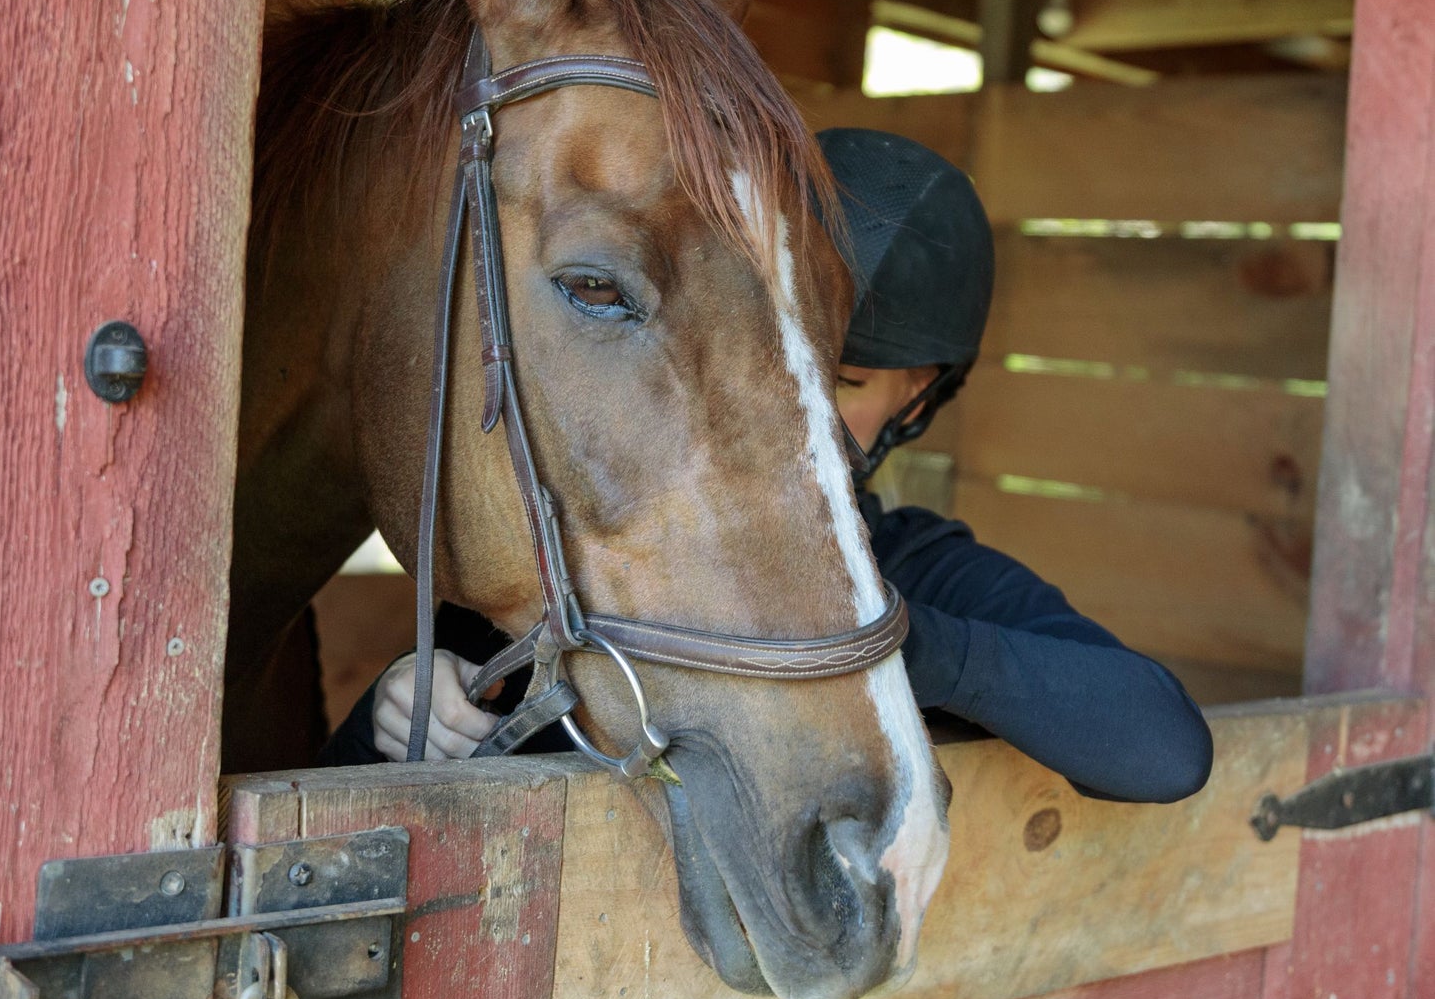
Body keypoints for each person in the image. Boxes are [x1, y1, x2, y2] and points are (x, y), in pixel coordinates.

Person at [323, 129, 1213, 804]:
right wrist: (394, 715)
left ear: (918, 399)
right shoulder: (604, 547)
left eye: (843, 376)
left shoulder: (919, 565)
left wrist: (868, 635)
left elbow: (1162, 748)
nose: (791, 397)